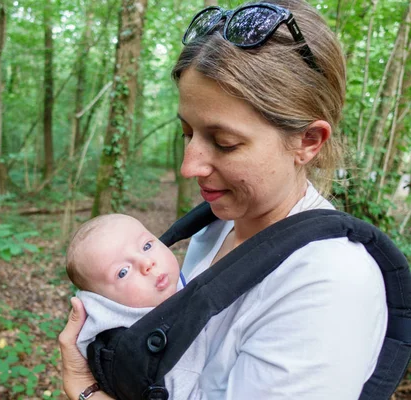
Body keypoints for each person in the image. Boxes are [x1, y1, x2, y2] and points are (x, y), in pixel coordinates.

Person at [59, 1, 388, 399]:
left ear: (307, 141)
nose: (189, 166)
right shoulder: (217, 226)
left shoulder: (329, 283)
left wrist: (83, 391)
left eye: (225, 142)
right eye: (187, 133)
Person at [65, 213, 207, 400]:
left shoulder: (167, 288)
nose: (147, 263)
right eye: (122, 272)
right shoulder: (133, 350)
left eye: (147, 246)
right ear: (101, 302)